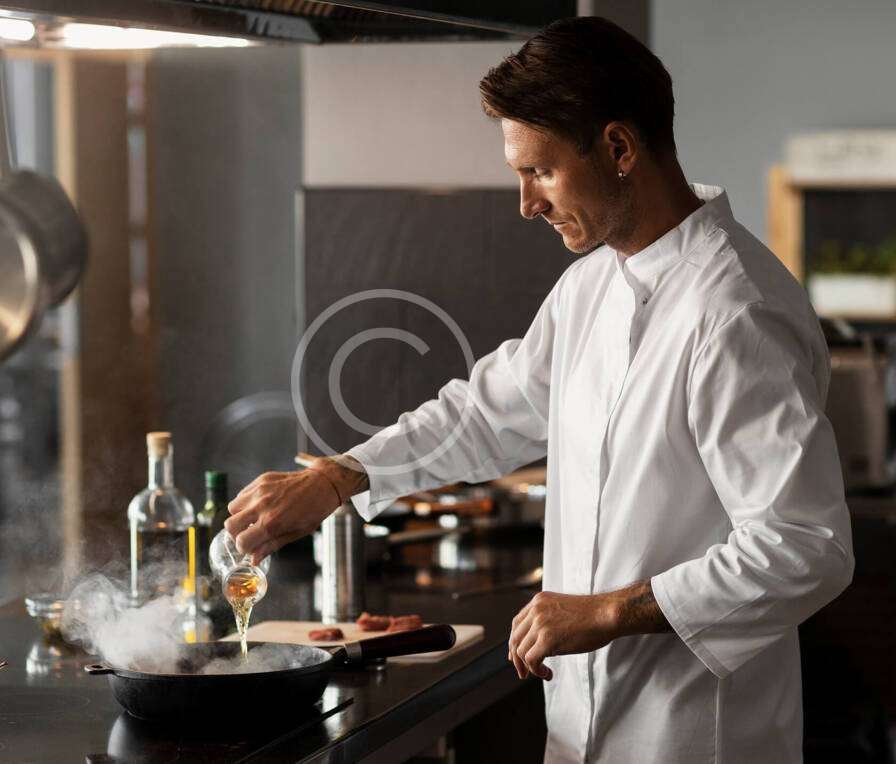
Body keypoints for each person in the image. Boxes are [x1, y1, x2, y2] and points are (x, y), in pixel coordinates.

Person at [225, 16, 854, 763]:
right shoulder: (591, 286)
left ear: (618, 148)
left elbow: (805, 546)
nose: (526, 203)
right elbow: (486, 413)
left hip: (695, 736)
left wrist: (610, 611)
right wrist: (341, 475)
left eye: (541, 171)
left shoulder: (735, 311)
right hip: (579, 725)